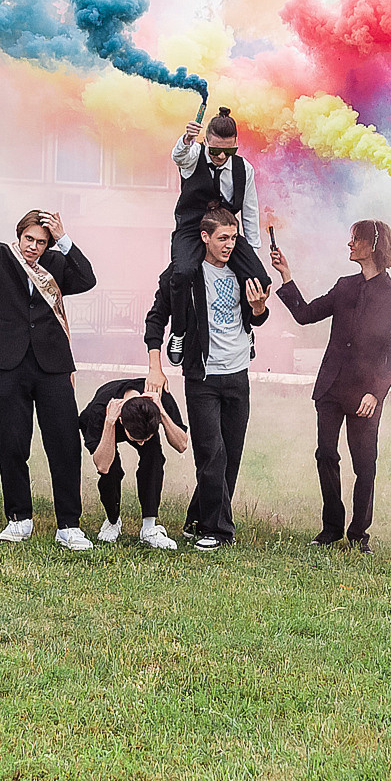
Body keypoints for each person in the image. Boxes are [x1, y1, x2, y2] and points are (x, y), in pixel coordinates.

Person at [0, 197, 99, 549]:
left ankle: (69, 525)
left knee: (65, 443)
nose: (34, 247)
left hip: (52, 364)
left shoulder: (55, 262)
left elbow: (87, 279)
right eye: (29, 239)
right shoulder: (0, 256)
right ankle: (19, 518)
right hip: (7, 361)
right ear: (19, 236)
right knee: (11, 441)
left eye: (41, 242)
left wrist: (64, 237)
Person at [272, 219, 391, 552]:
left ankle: (359, 533)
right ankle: (331, 527)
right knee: (326, 454)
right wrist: (286, 276)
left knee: (364, 465)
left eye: (355, 239)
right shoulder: (344, 286)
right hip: (331, 388)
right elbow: (305, 315)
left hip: (366, 394)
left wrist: (375, 393)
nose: (349, 244)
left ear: (372, 245)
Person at [145, 206, 272, 550]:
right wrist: (155, 366)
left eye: (233, 238)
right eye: (222, 238)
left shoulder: (242, 272)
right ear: (204, 237)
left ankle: (197, 518)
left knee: (230, 456)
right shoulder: (183, 274)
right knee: (211, 453)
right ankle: (219, 532)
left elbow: (258, 317)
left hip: (238, 374)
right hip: (202, 377)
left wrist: (259, 308)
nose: (229, 245)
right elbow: (155, 319)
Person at [160, 108, 268, 355]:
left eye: (228, 151)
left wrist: (250, 253)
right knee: (183, 272)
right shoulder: (193, 154)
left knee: (258, 279)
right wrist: (187, 139)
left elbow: (250, 211)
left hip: (227, 229)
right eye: (215, 149)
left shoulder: (244, 170)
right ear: (205, 141)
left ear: (236, 145)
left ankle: (247, 329)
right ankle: (178, 331)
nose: (220, 156)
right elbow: (179, 155)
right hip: (191, 228)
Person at [79, 377, 190, 549]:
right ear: (122, 422)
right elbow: (102, 466)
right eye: (136, 439)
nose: (141, 443)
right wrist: (109, 423)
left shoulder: (158, 396)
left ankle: (149, 528)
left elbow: (182, 445)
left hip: (144, 417)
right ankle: (113, 520)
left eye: (145, 438)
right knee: (112, 469)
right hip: (107, 420)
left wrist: (162, 412)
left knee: (154, 456)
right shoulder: (100, 411)